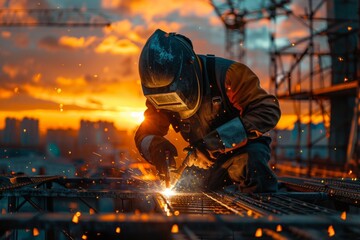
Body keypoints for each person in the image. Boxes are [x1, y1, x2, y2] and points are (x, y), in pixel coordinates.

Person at [134, 29, 281, 193]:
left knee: (251, 164)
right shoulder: (159, 94)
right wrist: (155, 147)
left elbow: (268, 110)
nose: (172, 105)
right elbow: (145, 133)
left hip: (243, 151)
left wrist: (216, 142)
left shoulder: (229, 75)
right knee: (186, 190)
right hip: (202, 159)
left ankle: (265, 214)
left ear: (188, 74)